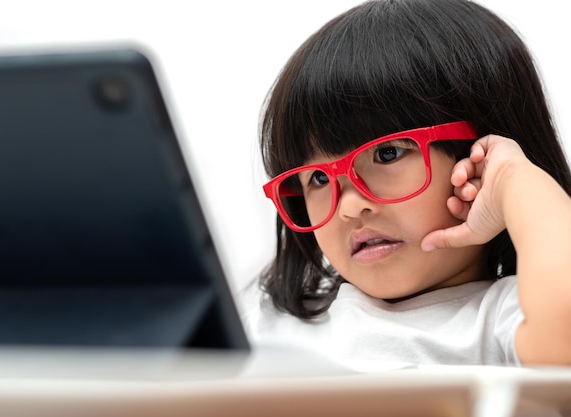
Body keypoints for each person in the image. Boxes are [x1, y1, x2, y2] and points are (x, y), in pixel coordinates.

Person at [241, 0, 571, 369]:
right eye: (318, 178)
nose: (350, 207)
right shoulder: (269, 320)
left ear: (481, 160)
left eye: (387, 155)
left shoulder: (501, 321)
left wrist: (515, 179)